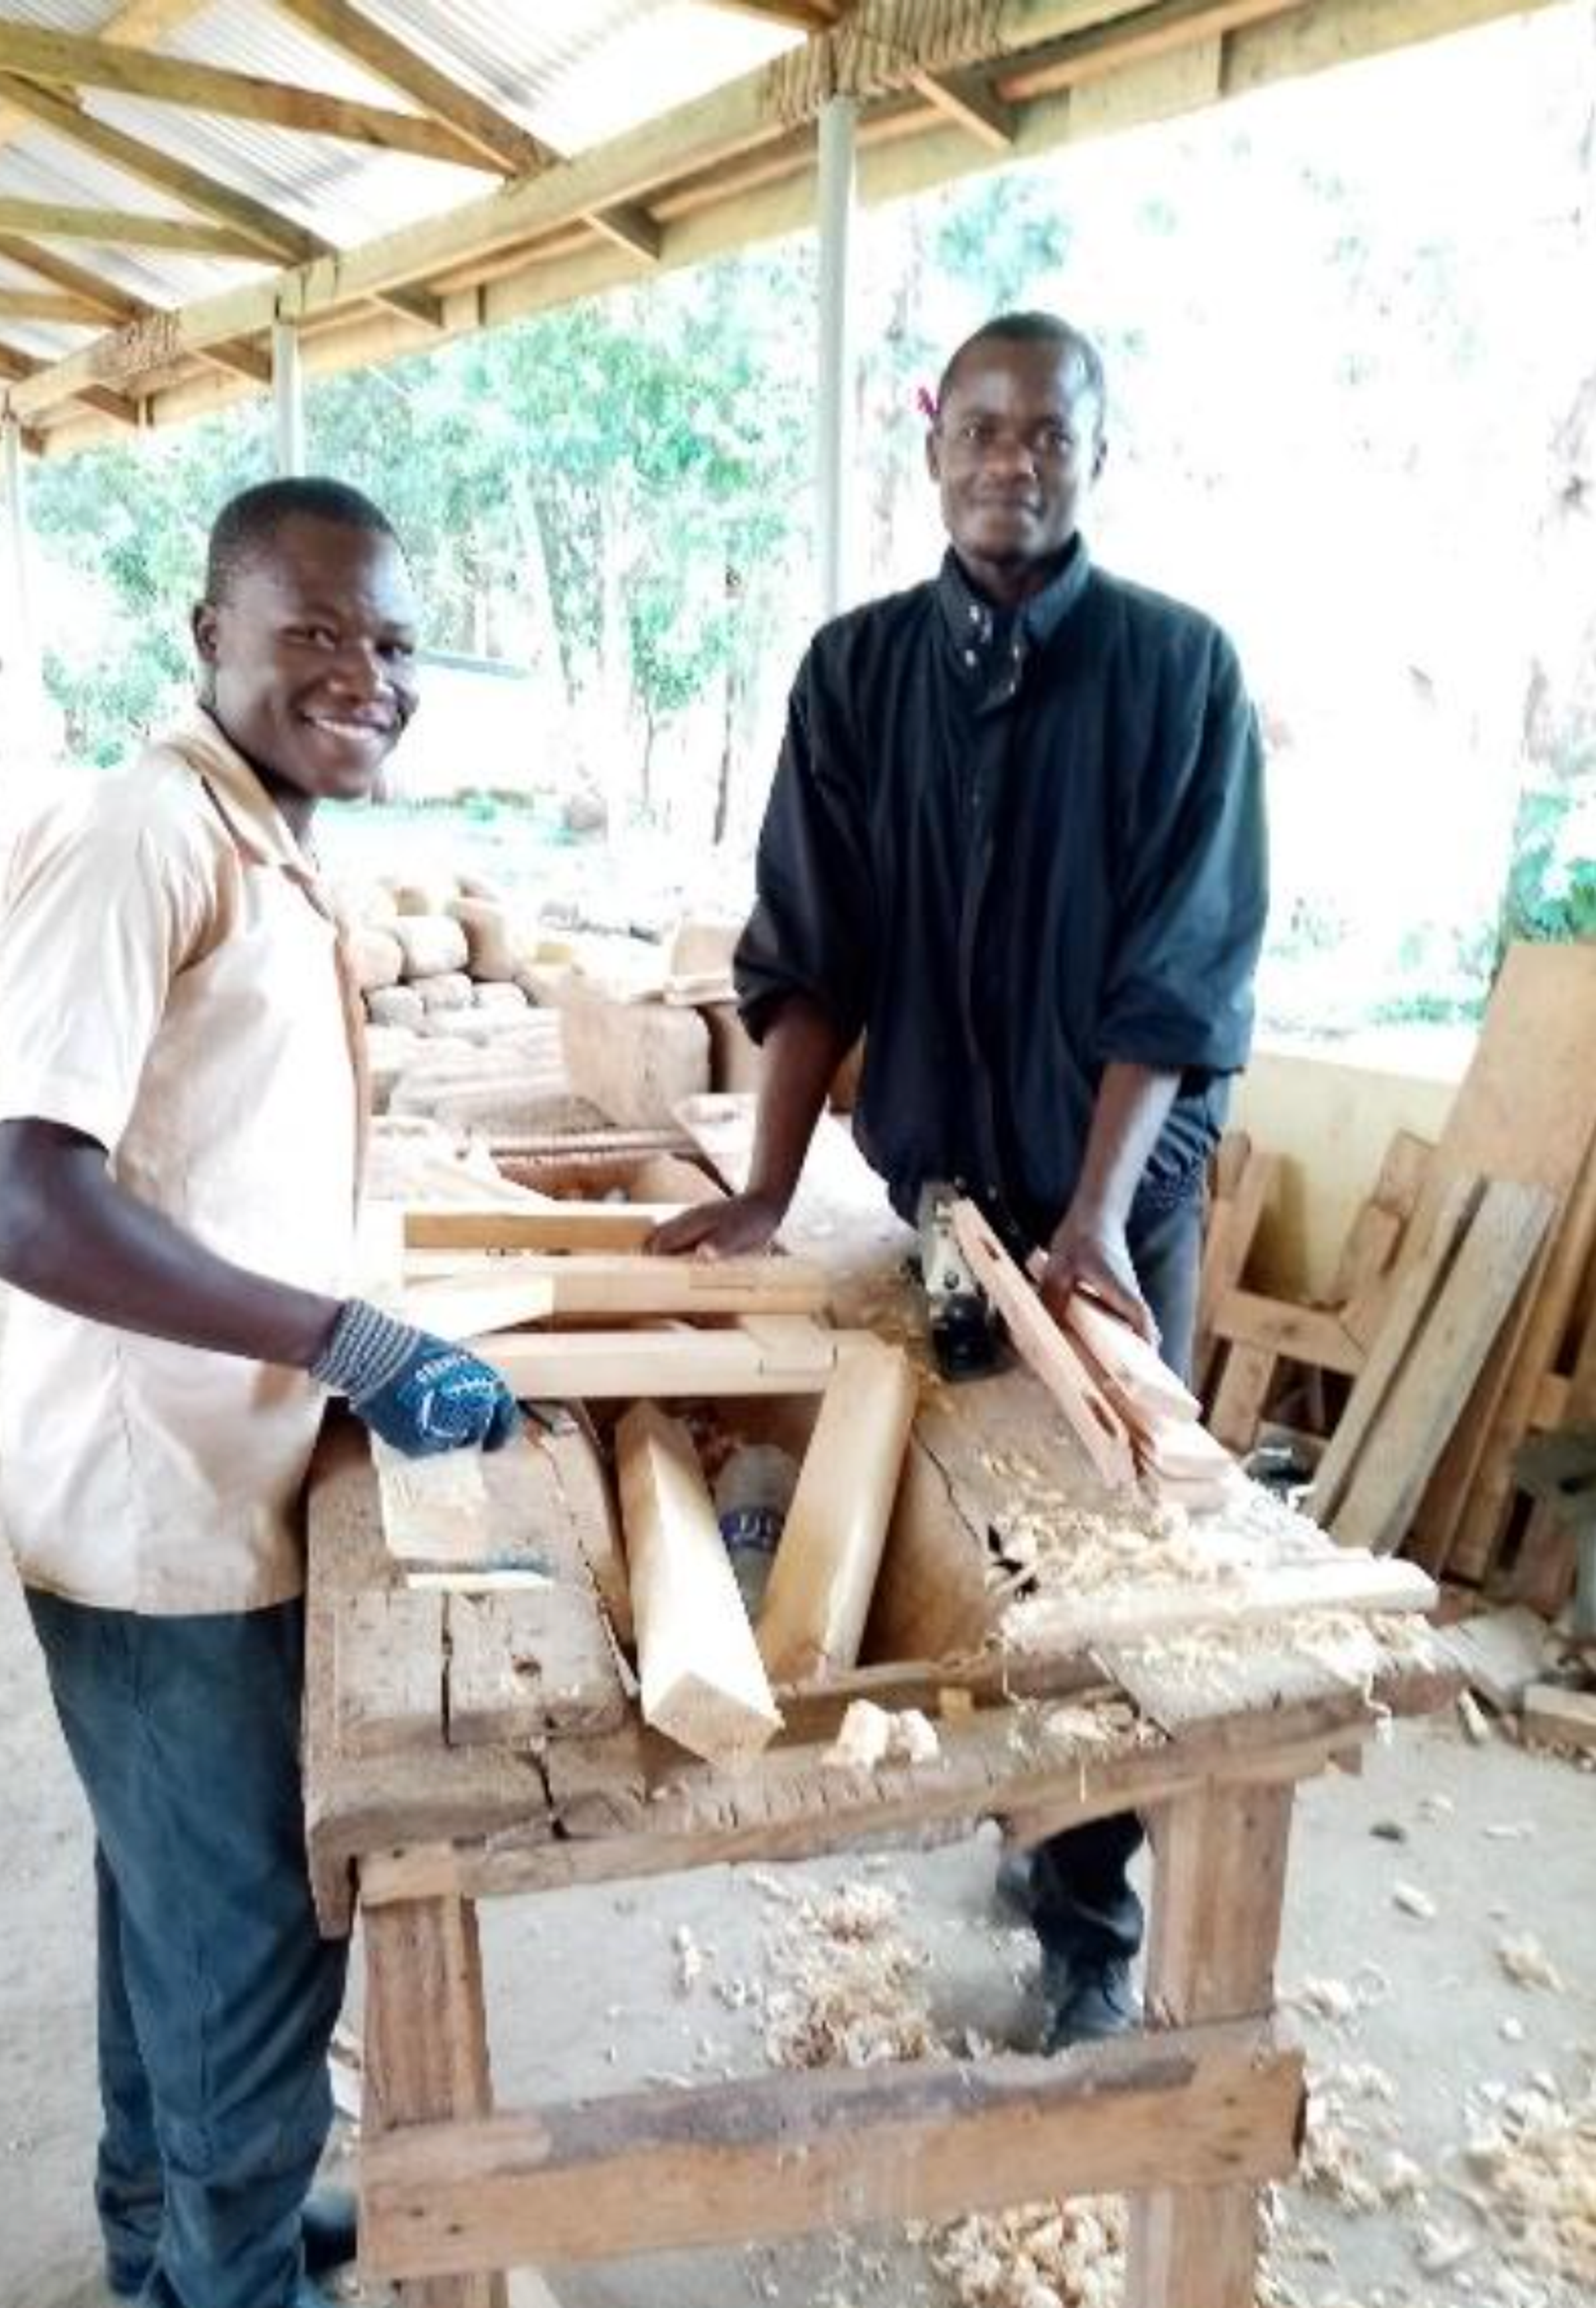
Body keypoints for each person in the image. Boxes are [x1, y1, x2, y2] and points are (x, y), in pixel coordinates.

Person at [654, 312, 1268, 2049]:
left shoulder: (1178, 673)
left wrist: (1091, 1223)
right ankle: (1019, 1799)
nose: (1012, 461)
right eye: (980, 431)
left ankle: (1088, 1916)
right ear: (931, 451)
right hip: (941, 1190)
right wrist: (769, 1188)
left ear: (1095, 453)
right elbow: (810, 947)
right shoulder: (854, 676)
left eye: (1048, 435)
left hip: (1110, 1198)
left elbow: (1181, 978)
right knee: (960, 1509)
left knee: (1109, 1533)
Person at [0, 477, 518, 2308]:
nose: (364, 672)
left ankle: (177, 2239)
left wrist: (346, 1319)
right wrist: (343, 1342)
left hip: (215, 1475)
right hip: (160, 1520)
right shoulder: (147, 834)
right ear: (204, 637)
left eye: (392, 642)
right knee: (252, 1956)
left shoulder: (264, 837)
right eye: (312, 633)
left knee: (167, 1909)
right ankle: (232, 2268)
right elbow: (30, 1203)